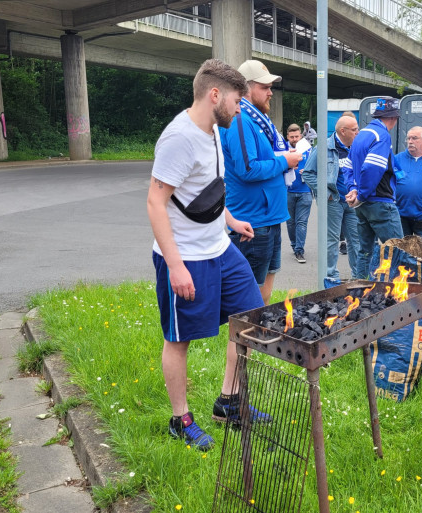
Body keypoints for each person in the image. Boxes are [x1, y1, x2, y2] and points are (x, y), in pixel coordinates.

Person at [146, 59, 270, 451]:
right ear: (215, 95)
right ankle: (180, 420)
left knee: (249, 321)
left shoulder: (215, 129)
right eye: (237, 100)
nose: (240, 108)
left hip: (220, 248)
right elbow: (155, 202)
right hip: (186, 258)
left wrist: (230, 221)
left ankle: (229, 402)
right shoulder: (178, 138)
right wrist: (176, 265)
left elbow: (209, 188)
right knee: (180, 339)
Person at [220, 59, 303, 305]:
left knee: (263, 295)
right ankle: (243, 344)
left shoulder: (257, 120)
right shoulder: (240, 120)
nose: (270, 93)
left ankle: (257, 343)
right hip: (253, 221)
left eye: (271, 87)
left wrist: (283, 160)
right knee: (248, 301)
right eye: (265, 87)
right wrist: (284, 162)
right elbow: (248, 169)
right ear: (246, 88)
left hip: (269, 217)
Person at [345, 96, 403, 279]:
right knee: (398, 251)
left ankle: (359, 291)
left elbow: (348, 166)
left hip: (363, 206)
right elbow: (372, 168)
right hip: (380, 202)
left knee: (364, 251)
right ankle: (394, 297)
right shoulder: (382, 135)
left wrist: (353, 189)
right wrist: (362, 194)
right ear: (393, 118)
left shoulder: (361, 135)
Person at [302, 114, 362, 285]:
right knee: (331, 240)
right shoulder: (324, 148)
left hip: (352, 202)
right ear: (343, 131)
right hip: (333, 201)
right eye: (354, 129)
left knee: (355, 239)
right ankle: (331, 278)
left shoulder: (357, 148)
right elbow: (308, 173)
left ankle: (358, 277)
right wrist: (325, 192)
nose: (358, 132)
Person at [285, 123, 313, 263]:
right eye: (292, 137)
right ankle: (294, 244)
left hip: (305, 191)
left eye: (297, 136)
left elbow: (316, 166)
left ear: (300, 136)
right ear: (287, 137)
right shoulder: (282, 148)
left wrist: (307, 171)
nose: (295, 139)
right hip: (288, 191)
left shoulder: (308, 148)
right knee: (290, 223)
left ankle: (299, 251)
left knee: (301, 222)